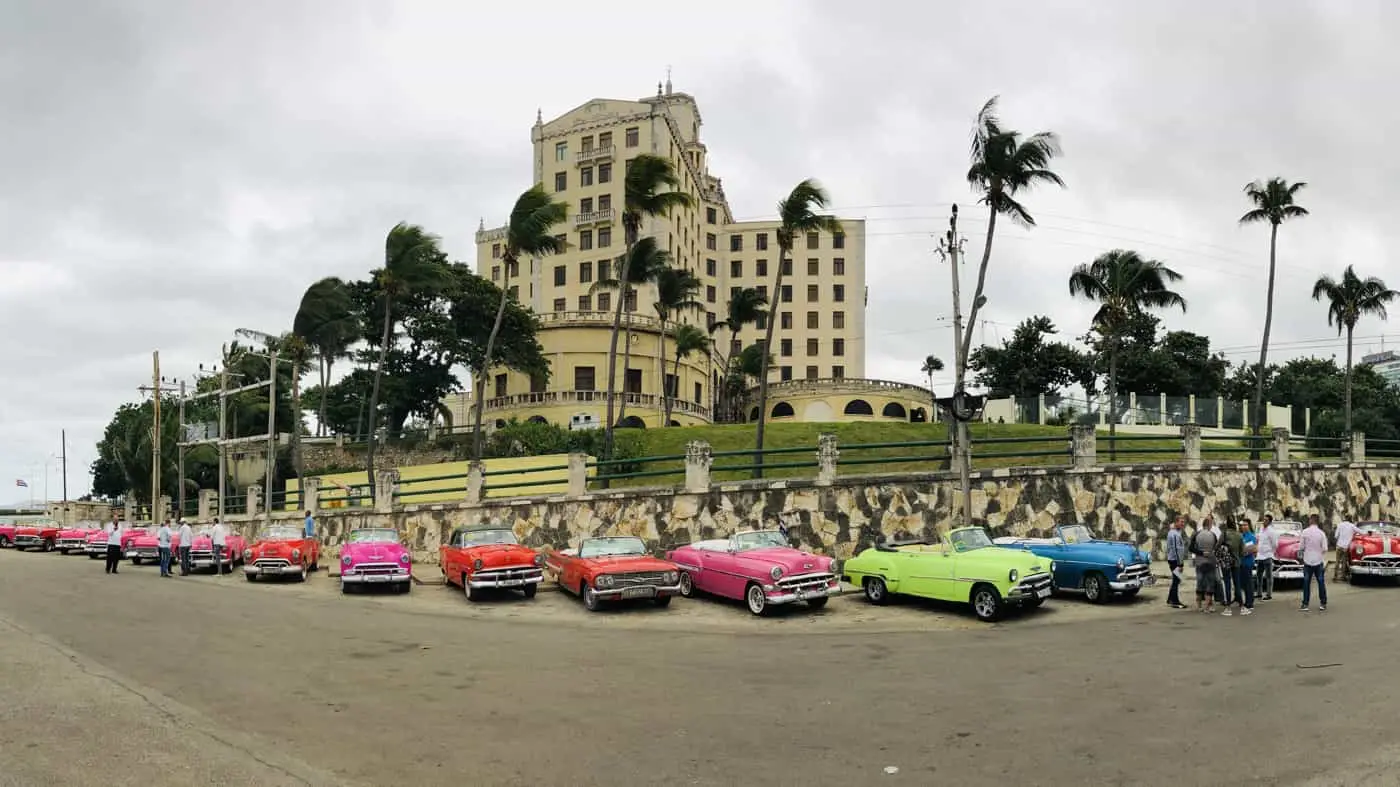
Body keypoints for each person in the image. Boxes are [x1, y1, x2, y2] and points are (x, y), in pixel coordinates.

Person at [1300, 514, 1329, 612]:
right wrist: (1318, 552)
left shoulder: (1304, 532)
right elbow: (1325, 548)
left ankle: (1305, 604)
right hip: (1318, 560)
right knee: (1320, 582)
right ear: (1317, 521)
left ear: (1311, 520)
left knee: (1306, 582)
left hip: (1307, 560)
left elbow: (1301, 547)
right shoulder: (1321, 533)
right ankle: (1323, 603)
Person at [1192, 520, 1219, 613]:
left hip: (1199, 562)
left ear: (1203, 525)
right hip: (1211, 562)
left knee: (1200, 583)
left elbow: (1191, 548)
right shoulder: (1213, 535)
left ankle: (1199, 606)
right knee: (1210, 584)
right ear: (1210, 525)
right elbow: (1217, 547)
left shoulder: (1197, 534)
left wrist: (1201, 552)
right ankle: (1207, 607)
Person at [1218, 518, 1242, 616]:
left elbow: (1217, 546)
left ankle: (1228, 606)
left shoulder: (1224, 534)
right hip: (1236, 562)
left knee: (1227, 583)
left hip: (1226, 562)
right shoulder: (1239, 535)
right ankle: (1241, 604)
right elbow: (1242, 550)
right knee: (1237, 583)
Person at [1165, 516, 1188, 609]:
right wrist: (1180, 564)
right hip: (1175, 561)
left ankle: (1170, 598)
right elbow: (1175, 549)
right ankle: (1175, 601)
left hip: (1176, 560)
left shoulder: (1177, 533)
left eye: (1183, 522)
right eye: (1181, 522)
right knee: (1176, 580)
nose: (1183, 524)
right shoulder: (1174, 534)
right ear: (1176, 522)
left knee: (1176, 579)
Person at [1236, 519, 1256, 615]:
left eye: (1245, 525)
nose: (1243, 527)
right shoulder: (1240, 536)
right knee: (1242, 583)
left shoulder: (1251, 536)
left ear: (1249, 526)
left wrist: (1241, 551)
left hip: (1247, 563)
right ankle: (1243, 600)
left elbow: (1250, 549)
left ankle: (1250, 602)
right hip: (1240, 563)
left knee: (1248, 583)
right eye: (1242, 525)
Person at [1256, 514, 1277, 600]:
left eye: (1266, 520)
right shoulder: (1261, 529)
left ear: (1269, 522)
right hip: (1260, 556)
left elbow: (1275, 544)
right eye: (1263, 520)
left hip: (1267, 556)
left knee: (1269, 576)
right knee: (1259, 575)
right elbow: (1259, 541)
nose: (1264, 521)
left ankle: (1269, 594)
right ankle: (1259, 593)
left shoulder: (1271, 531)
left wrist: (1270, 552)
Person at [1334, 515, 1357, 582]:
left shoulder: (1340, 525)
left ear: (1345, 519)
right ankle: (1343, 577)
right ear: (1350, 519)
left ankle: (1335, 576)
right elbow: (1360, 531)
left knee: (1337, 561)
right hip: (1346, 547)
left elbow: (1335, 536)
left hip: (1339, 546)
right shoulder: (1352, 526)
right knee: (1344, 561)